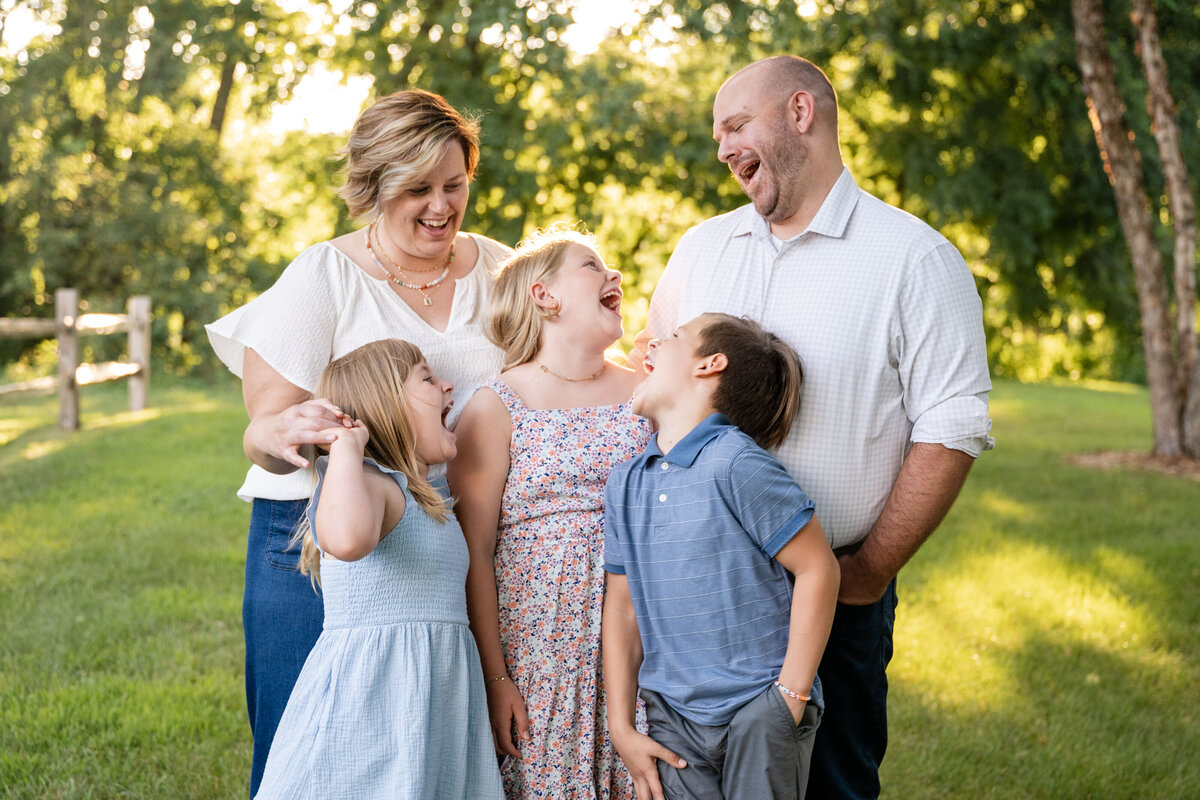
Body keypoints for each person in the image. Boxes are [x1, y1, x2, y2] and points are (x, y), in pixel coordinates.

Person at [638, 55, 994, 800]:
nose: (723, 150)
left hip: (834, 590)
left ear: (801, 114)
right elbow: (654, 381)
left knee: (834, 784)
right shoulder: (701, 248)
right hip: (692, 596)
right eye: (718, 133)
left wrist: (865, 576)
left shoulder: (915, 258)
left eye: (736, 125)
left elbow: (952, 426)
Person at [205, 89, 512, 795]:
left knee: (425, 752)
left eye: (454, 185)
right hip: (319, 544)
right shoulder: (324, 276)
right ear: (372, 187)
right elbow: (263, 426)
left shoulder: (500, 271)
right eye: (418, 190)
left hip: (447, 543)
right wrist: (286, 430)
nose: (441, 206)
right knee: (306, 752)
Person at [448, 225, 650, 799]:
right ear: (544, 295)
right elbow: (475, 554)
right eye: (592, 266)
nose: (614, 276)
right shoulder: (497, 405)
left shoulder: (649, 393)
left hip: (642, 634)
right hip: (540, 650)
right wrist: (496, 678)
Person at [252, 339, 503, 799]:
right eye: (427, 378)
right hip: (372, 703)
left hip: (433, 695)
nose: (449, 385)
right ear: (383, 405)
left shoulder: (428, 498)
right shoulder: (372, 484)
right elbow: (346, 540)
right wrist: (346, 450)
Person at [603, 312, 840, 800]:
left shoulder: (735, 461)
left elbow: (818, 567)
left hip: (758, 707)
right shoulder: (626, 482)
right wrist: (622, 727)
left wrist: (788, 699)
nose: (646, 344)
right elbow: (623, 609)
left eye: (671, 338)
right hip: (673, 720)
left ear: (710, 365)